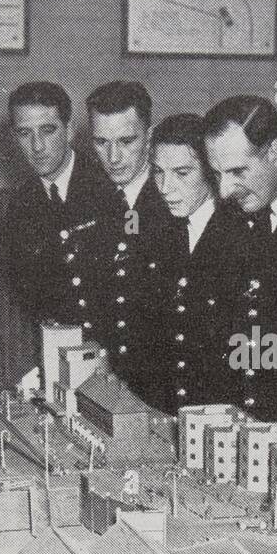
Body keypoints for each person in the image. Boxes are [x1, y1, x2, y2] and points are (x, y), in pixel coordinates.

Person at [204, 96, 277, 418]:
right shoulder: (234, 214)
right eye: (218, 174)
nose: (224, 190)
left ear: (276, 153)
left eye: (238, 171)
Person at [3, 81, 117, 366]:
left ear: (69, 131)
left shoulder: (110, 185)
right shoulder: (19, 206)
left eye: (48, 130)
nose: (37, 146)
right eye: (24, 134)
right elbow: (31, 298)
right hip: (62, 355)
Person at [146, 113, 250, 413]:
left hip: (224, 412)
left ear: (210, 172)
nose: (165, 187)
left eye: (181, 173)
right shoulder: (164, 235)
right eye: (157, 172)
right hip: (173, 408)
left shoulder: (240, 234)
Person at [85, 81, 173, 401]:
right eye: (101, 142)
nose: (113, 156)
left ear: (149, 137)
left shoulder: (175, 199)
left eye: (126, 141)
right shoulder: (92, 200)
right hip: (112, 379)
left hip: (166, 378)